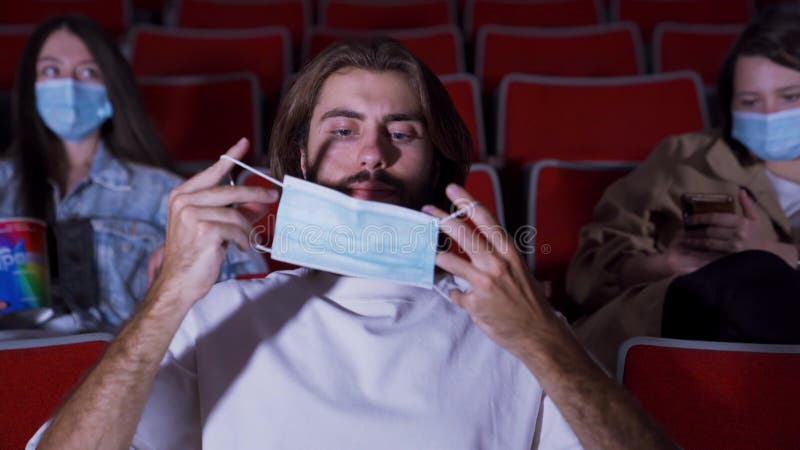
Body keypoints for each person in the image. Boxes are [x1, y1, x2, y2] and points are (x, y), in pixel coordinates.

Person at [28, 39, 675, 449]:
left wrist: (542, 340)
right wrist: (167, 299)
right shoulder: (211, 313)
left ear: (439, 165)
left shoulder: (520, 331)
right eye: (342, 130)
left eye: (404, 132)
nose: (373, 154)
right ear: (300, 162)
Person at [566, 7, 800, 373]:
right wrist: (663, 265)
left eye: (790, 97)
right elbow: (587, 272)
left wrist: (774, 253)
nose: (769, 114)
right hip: (678, 346)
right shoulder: (683, 158)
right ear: (729, 106)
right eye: (750, 102)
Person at [0, 15, 265, 334]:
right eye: (51, 71)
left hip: (129, 371)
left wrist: (186, 264)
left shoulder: (164, 192)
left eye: (87, 72)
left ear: (111, 90)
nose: (68, 86)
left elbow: (249, 291)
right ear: (32, 88)